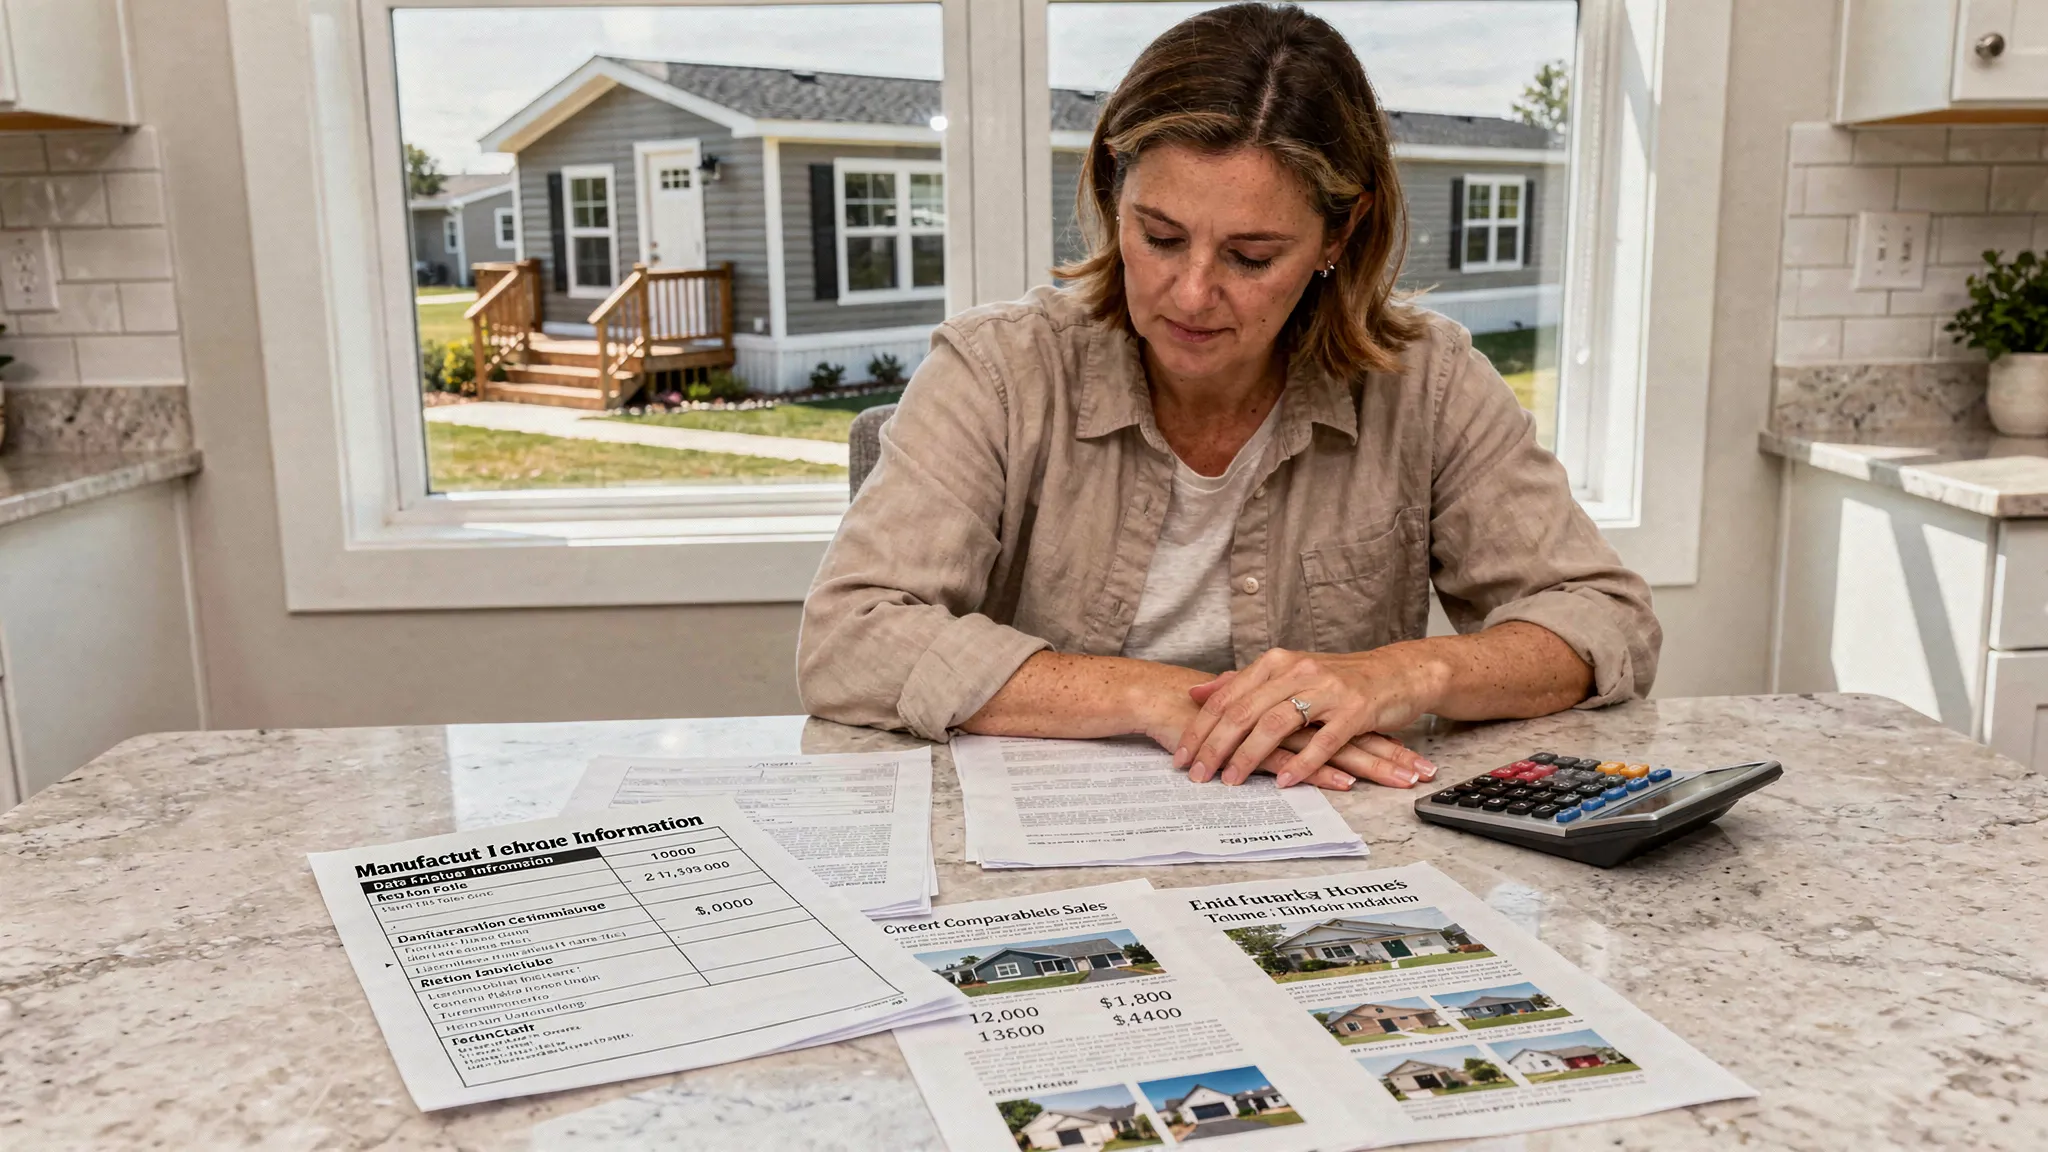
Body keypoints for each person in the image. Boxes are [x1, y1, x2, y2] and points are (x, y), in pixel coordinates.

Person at [798, 2, 1658, 792]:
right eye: (1160, 236)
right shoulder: (997, 371)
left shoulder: (1427, 383)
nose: (1191, 293)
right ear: (1112, 194)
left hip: (1335, 847)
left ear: (1340, 232)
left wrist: (1397, 675)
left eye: (1251, 256)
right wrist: (1156, 697)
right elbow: (850, 639)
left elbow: (1603, 621)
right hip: (1041, 855)